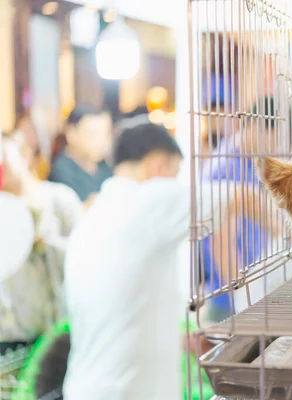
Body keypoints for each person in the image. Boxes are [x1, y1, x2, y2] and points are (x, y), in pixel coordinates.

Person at [62, 122, 229, 400]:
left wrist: (178, 341)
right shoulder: (147, 199)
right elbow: (235, 195)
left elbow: (117, 311)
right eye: (174, 174)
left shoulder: (94, 218)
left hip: (88, 387)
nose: (175, 186)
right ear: (156, 165)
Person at [0, 132, 82, 359]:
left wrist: (46, 245)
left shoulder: (59, 200)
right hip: (8, 339)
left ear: (24, 156)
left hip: (57, 333)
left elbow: (85, 258)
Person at [49, 106, 113, 202]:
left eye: (106, 134)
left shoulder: (105, 168)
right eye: (93, 134)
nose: (102, 141)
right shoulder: (61, 174)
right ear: (71, 134)